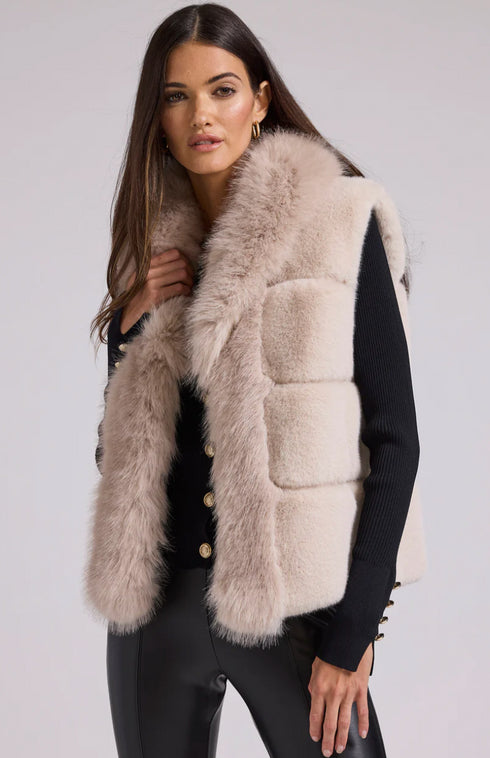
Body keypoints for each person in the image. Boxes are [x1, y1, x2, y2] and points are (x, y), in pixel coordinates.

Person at [84, 4, 427, 757]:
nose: (201, 115)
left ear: (261, 100)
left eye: (223, 90)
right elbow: (119, 458)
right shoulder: (148, 254)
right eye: (177, 96)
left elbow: (396, 442)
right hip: (155, 615)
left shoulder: (340, 222)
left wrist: (354, 633)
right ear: (157, 119)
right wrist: (128, 333)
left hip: (295, 612)